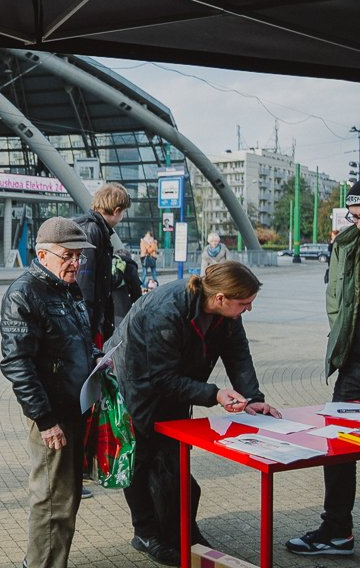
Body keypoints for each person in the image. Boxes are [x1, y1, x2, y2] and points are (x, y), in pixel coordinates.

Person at [105, 261, 280, 565]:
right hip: (136, 384)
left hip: (174, 382)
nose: (248, 309)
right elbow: (160, 378)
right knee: (141, 458)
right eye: (245, 303)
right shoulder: (167, 310)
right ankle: (145, 533)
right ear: (221, 298)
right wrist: (213, 394)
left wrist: (253, 398)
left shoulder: (225, 314)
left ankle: (182, 531)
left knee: (174, 459)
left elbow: (238, 354)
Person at [0, 217, 97, 568]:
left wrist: (99, 361)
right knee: (53, 499)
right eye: (68, 255)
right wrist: (45, 420)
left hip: (74, 409)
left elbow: (77, 344)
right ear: (42, 254)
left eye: (79, 256)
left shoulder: (68, 289)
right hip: (52, 416)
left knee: (66, 498)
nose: (76, 263)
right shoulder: (24, 293)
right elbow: (17, 364)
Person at [286, 184, 360, 556]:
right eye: (354, 216)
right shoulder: (348, 243)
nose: (357, 223)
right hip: (354, 363)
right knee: (339, 444)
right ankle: (337, 530)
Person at [73, 182, 131, 346]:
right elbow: (85, 282)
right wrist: (90, 328)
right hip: (89, 323)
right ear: (116, 211)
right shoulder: (93, 231)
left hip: (90, 321)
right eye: (123, 212)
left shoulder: (93, 228)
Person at [111, 248, 143, 325]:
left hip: (107, 305)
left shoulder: (110, 261)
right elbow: (136, 290)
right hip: (122, 303)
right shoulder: (130, 265)